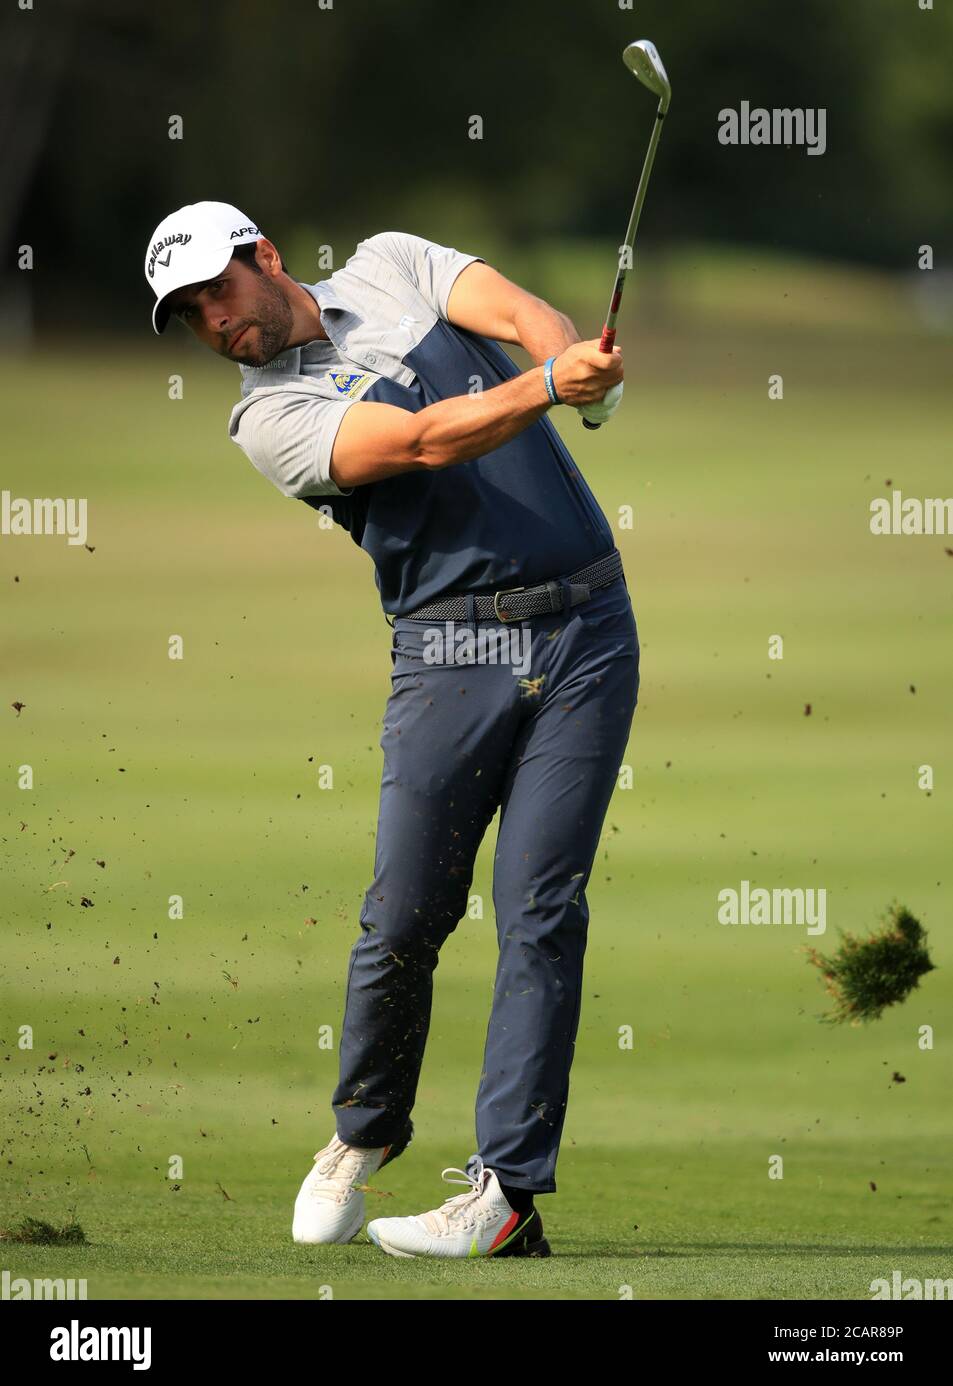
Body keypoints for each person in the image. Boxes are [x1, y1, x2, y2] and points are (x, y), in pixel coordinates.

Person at [144, 200, 640, 1259]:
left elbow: (514, 308)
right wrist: (551, 386)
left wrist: (576, 367)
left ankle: (503, 1195)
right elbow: (417, 443)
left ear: (264, 257)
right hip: (447, 650)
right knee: (405, 914)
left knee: (540, 906)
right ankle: (361, 1133)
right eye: (189, 317)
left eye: (216, 291)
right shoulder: (265, 420)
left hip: (588, 625)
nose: (215, 323)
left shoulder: (389, 265)